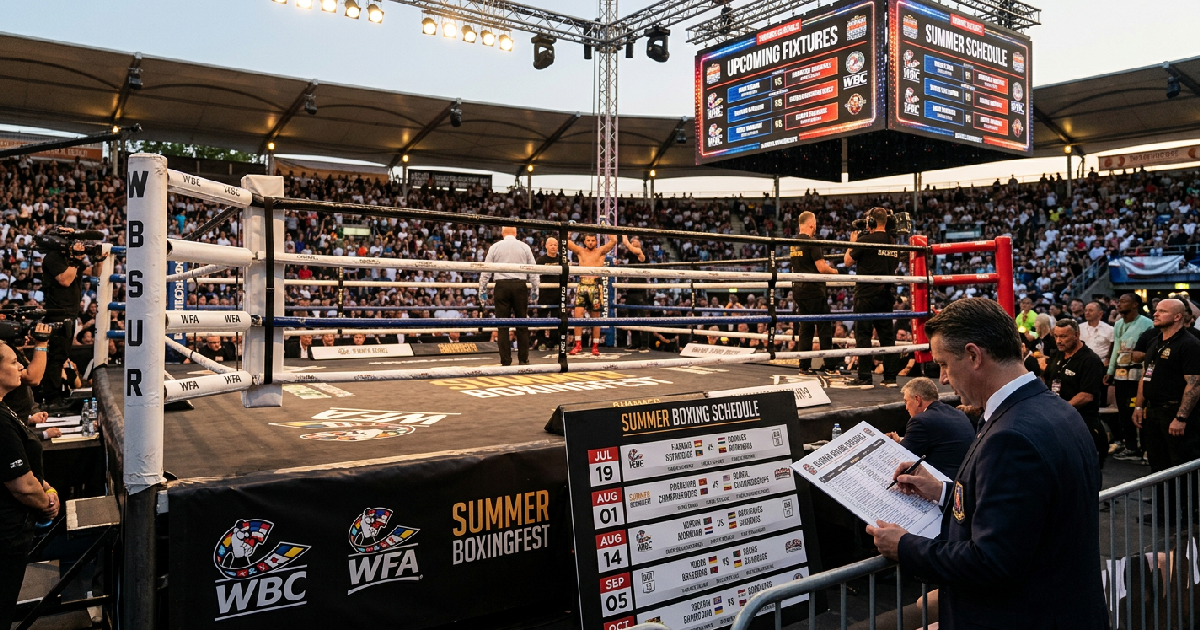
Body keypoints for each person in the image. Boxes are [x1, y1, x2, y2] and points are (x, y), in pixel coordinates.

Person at [866, 298, 1106, 628]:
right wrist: (942, 492)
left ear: (973, 356)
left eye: (944, 364)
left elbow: (992, 561)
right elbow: (1023, 512)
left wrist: (905, 546)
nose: (943, 379)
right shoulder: (1055, 409)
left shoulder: (1011, 435)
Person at [1, 342, 60, 627]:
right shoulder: (0, 421)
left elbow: (25, 468)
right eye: (13, 362)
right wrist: (47, 502)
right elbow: (22, 485)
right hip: (7, 533)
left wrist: (45, 487)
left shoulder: (7, 410)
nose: (21, 367)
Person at [1132, 299, 1200, 482]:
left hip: (1174, 412)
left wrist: (1181, 418)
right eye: (1156, 310)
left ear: (1177, 316)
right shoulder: (1155, 342)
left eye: (1162, 311)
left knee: (1181, 466)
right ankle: (1162, 501)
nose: (1155, 314)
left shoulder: (1189, 344)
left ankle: (1185, 501)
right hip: (1153, 412)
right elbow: (1146, 375)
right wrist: (1138, 406)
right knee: (1158, 465)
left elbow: (1194, 384)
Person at [40, 236, 106, 411]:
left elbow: (95, 273)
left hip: (69, 313)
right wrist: (76, 259)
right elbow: (65, 280)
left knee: (61, 356)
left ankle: (55, 395)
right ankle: (51, 398)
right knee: (56, 357)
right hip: (57, 314)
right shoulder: (53, 257)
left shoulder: (71, 261)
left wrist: (98, 259)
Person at [844, 208, 900, 387]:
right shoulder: (892, 241)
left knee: (863, 335)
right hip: (886, 294)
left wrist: (852, 243)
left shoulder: (865, 240)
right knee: (887, 337)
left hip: (866, 295)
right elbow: (895, 264)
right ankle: (890, 378)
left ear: (871, 222)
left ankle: (865, 377)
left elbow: (847, 261)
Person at [1044, 319, 1108, 467]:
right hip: (1058, 423)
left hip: (1082, 423)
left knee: (1085, 469)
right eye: (1056, 336)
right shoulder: (1058, 355)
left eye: (1063, 336)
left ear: (1077, 335)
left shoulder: (1090, 360)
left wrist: (1060, 410)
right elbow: (1046, 379)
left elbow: (1086, 396)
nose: (1058, 341)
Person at [885, 377, 974, 480]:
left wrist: (889, 444)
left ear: (917, 400)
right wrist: (900, 442)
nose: (906, 407)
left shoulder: (921, 421)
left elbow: (899, 458)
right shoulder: (957, 413)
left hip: (944, 483)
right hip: (966, 480)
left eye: (906, 401)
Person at [478, 226, 539, 366]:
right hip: (519, 286)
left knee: (502, 325)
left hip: (502, 286)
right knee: (522, 324)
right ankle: (523, 359)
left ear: (502, 233)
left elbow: (486, 270)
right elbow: (534, 270)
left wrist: (482, 290)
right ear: (516, 233)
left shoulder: (495, 247)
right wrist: (535, 289)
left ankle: (505, 360)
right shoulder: (524, 247)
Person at [790, 211, 839, 376]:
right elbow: (822, 268)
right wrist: (835, 272)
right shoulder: (812, 242)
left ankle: (804, 367)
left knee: (806, 328)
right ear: (811, 225)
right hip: (813, 291)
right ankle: (830, 366)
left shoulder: (793, 244)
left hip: (799, 290)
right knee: (824, 327)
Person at [1107, 293, 1153, 462]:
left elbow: (1150, 350)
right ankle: (1131, 447)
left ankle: (1147, 448)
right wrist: (1110, 371)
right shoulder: (1118, 324)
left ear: (1135, 305)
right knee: (1124, 412)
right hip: (1121, 374)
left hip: (1138, 374)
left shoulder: (1147, 323)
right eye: (1118, 301)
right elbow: (1116, 349)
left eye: (1124, 301)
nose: (1119, 304)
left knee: (1141, 411)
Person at [567, 232, 617, 356]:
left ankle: (595, 346)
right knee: (577, 315)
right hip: (582, 285)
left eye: (593, 240)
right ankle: (577, 345)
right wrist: (568, 233)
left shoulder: (600, 251)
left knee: (596, 318)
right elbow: (567, 243)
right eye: (588, 240)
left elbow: (613, 241)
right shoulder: (580, 251)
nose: (590, 243)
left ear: (596, 241)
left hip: (595, 285)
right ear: (584, 241)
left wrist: (607, 229)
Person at [621, 235, 650, 352]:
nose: (633, 243)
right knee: (632, 318)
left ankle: (645, 344)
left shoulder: (642, 254)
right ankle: (635, 343)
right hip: (631, 290)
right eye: (632, 241)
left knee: (642, 318)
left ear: (640, 244)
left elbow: (632, 249)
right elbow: (626, 252)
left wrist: (625, 239)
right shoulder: (630, 258)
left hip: (640, 291)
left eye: (636, 241)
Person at [534, 237, 561, 351]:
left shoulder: (562, 259)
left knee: (557, 318)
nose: (553, 247)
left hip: (558, 293)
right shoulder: (540, 260)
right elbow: (535, 276)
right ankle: (541, 342)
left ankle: (555, 342)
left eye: (555, 245)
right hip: (544, 293)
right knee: (542, 318)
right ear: (546, 246)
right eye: (551, 245)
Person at [1079, 302, 1114, 367]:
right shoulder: (1079, 328)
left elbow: (1112, 348)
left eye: (1090, 311)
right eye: (1086, 310)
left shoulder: (1109, 329)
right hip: (1081, 362)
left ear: (1100, 313)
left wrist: (1108, 360)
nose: (1087, 313)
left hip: (1101, 363)